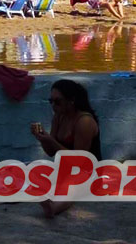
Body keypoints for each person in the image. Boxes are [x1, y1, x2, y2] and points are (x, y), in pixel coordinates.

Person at [31, 79, 101, 218]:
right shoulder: (58, 117)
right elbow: (50, 152)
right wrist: (43, 139)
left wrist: (51, 140)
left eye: (58, 101)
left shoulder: (84, 121)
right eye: (51, 101)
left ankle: (54, 207)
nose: (53, 105)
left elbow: (79, 161)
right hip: (66, 170)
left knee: (72, 184)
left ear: (71, 101)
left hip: (88, 172)